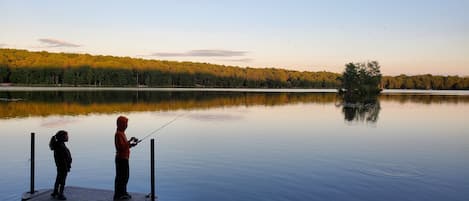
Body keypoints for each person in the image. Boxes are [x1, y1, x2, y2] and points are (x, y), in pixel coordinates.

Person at [114, 116, 139, 200]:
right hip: (121, 159)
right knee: (121, 177)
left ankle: (123, 192)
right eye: (125, 124)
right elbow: (121, 147)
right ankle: (119, 194)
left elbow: (124, 146)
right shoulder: (118, 134)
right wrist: (129, 142)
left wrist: (131, 144)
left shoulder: (122, 133)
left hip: (124, 158)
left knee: (125, 177)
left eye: (126, 124)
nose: (126, 125)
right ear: (120, 124)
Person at [49, 130, 72, 200]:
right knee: (62, 181)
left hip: (60, 166)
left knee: (58, 178)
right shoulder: (60, 146)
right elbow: (63, 158)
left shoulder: (59, 144)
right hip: (63, 166)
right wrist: (67, 167)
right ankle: (60, 194)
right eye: (66, 136)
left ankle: (55, 191)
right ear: (62, 137)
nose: (68, 137)